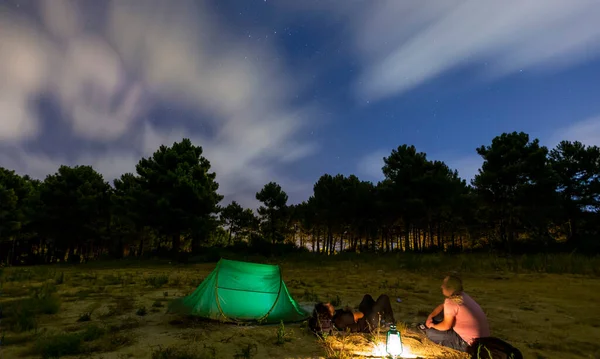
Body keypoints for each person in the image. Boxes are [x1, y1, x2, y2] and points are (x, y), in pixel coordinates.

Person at [422, 275, 490, 352]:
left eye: (443, 284)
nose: (441, 286)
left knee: (430, 333)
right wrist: (431, 316)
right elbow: (442, 306)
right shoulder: (462, 296)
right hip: (484, 340)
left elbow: (446, 325)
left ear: (449, 287)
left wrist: (432, 326)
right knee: (440, 315)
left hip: (470, 344)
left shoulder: (451, 302)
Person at [309, 294, 396, 334]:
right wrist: (352, 313)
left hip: (364, 319)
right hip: (369, 323)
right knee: (383, 298)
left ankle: (380, 313)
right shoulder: (341, 318)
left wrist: (350, 311)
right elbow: (361, 314)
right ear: (328, 312)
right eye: (328, 305)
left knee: (367, 298)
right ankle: (390, 321)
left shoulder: (336, 315)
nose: (329, 303)